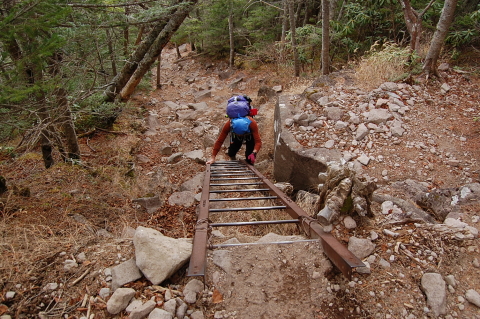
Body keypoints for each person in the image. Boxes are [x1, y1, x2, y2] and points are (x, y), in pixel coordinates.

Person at [206, 95, 262, 165]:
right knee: (231, 152)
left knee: (249, 158)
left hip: (249, 135)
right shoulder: (229, 124)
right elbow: (219, 141)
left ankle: (249, 163)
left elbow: (258, 142)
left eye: (242, 134)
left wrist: (254, 153)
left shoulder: (252, 123)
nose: (241, 135)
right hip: (236, 136)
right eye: (239, 134)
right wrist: (213, 158)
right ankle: (233, 161)